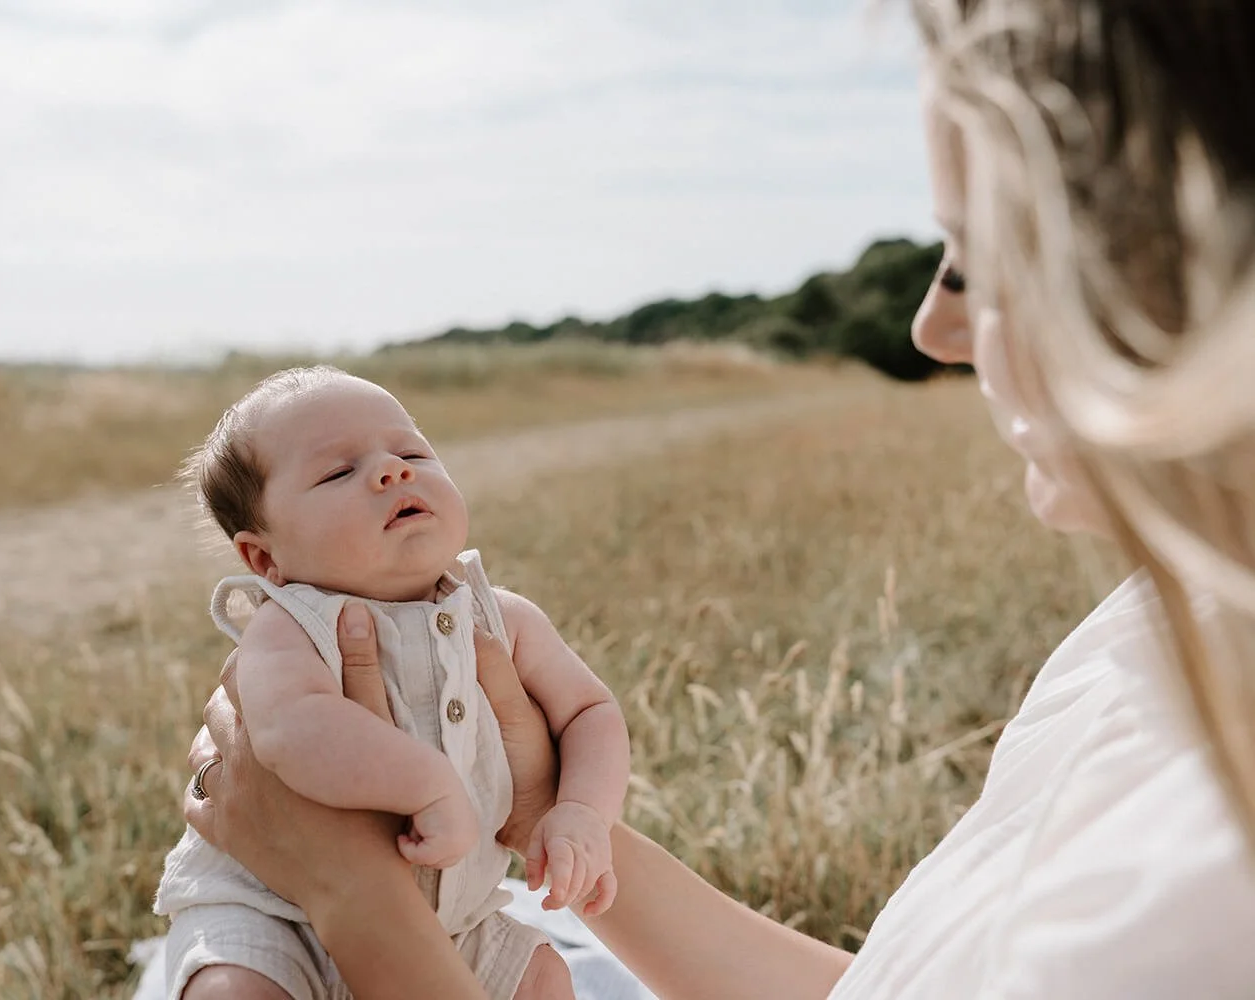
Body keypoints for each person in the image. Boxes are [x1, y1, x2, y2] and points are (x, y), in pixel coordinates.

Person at [181, 1, 1255, 996]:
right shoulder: (1170, 618)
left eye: (976, 259)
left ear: (1191, 270)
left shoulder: (1201, 868)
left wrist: (358, 901)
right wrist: (543, 808)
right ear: (260, 557)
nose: (931, 329)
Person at [156, 367, 631, 999]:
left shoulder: (501, 619)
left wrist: (581, 811)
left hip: (453, 919)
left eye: (411, 452)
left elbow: (590, 711)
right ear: (265, 559)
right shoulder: (290, 628)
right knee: (230, 989)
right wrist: (428, 784)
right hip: (275, 910)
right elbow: (288, 729)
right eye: (337, 472)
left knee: (544, 976)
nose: (393, 471)